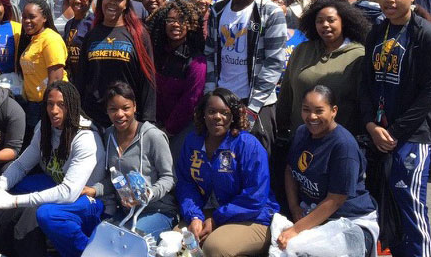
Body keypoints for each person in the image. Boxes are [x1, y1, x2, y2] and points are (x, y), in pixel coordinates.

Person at [0, 81, 106, 257]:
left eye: (61, 105)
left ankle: (85, 252)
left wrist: (14, 201)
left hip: (88, 198)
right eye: (50, 104)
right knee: (14, 186)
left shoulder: (86, 138)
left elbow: (68, 192)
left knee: (47, 214)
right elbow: (21, 165)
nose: (54, 110)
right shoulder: (45, 127)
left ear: (73, 106)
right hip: (56, 182)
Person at [359, 0, 431, 257]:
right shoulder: (377, 31)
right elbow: (365, 83)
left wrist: (395, 132)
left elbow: (429, 91)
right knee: (386, 207)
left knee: (410, 206)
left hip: (412, 136)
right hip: (380, 133)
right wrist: (371, 126)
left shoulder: (423, 34)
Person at [176, 87, 279, 256]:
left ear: (233, 116)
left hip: (252, 217)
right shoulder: (193, 142)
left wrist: (217, 219)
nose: (218, 117)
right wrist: (194, 216)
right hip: (209, 211)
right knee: (177, 242)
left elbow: (254, 197)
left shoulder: (248, 145)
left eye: (225, 112)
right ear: (203, 114)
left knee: (214, 247)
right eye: (212, 111)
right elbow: (186, 183)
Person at [279, 86, 379, 255]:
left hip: (350, 221)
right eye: (306, 110)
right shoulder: (302, 132)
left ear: (333, 111)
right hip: (311, 215)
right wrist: (295, 207)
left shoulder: (343, 146)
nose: (312, 117)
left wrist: (296, 230)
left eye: (319, 111)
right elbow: (290, 170)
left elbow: (336, 200)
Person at [204, 0, 287, 155]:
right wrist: (211, 97)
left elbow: (275, 63)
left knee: (255, 165)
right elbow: (210, 56)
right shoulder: (217, 11)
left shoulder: (269, 12)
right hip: (223, 102)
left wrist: (252, 109)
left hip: (257, 105)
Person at [82, 82, 177, 241]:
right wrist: (93, 190)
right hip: (127, 213)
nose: (119, 114)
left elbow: (169, 178)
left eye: (125, 108)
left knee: (127, 242)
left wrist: (148, 194)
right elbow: (115, 179)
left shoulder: (153, 136)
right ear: (107, 110)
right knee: (99, 241)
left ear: (134, 107)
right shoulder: (109, 135)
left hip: (158, 211)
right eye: (113, 109)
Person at [277, 0, 369, 136]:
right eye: (319, 21)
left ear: (343, 22)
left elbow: (364, 102)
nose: (325, 25)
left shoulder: (358, 56)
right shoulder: (301, 50)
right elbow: (286, 95)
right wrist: (281, 128)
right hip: (300, 138)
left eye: (331, 20)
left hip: (338, 142)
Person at [76, 0, 156, 129]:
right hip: (93, 119)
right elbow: (81, 78)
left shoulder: (139, 35)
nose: (112, 2)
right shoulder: (92, 35)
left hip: (125, 119)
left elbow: (148, 80)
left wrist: (148, 121)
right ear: (101, 0)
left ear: (126, 3)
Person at [146, 0, 206, 136]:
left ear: (191, 24)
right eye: (170, 20)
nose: (176, 24)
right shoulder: (156, 54)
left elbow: (191, 99)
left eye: (182, 20)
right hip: (152, 125)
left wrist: (168, 130)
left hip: (181, 130)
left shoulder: (196, 60)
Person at [17, 0, 68, 139]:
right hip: (32, 104)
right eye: (24, 17)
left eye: (32, 17)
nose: (27, 21)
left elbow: (56, 79)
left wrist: (50, 108)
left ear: (44, 18)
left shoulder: (51, 39)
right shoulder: (33, 39)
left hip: (45, 105)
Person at [63, 0, 95, 82]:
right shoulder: (69, 24)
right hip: (73, 80)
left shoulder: (93, 23)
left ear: (90, 0)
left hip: (89, 80)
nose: (77, 0)